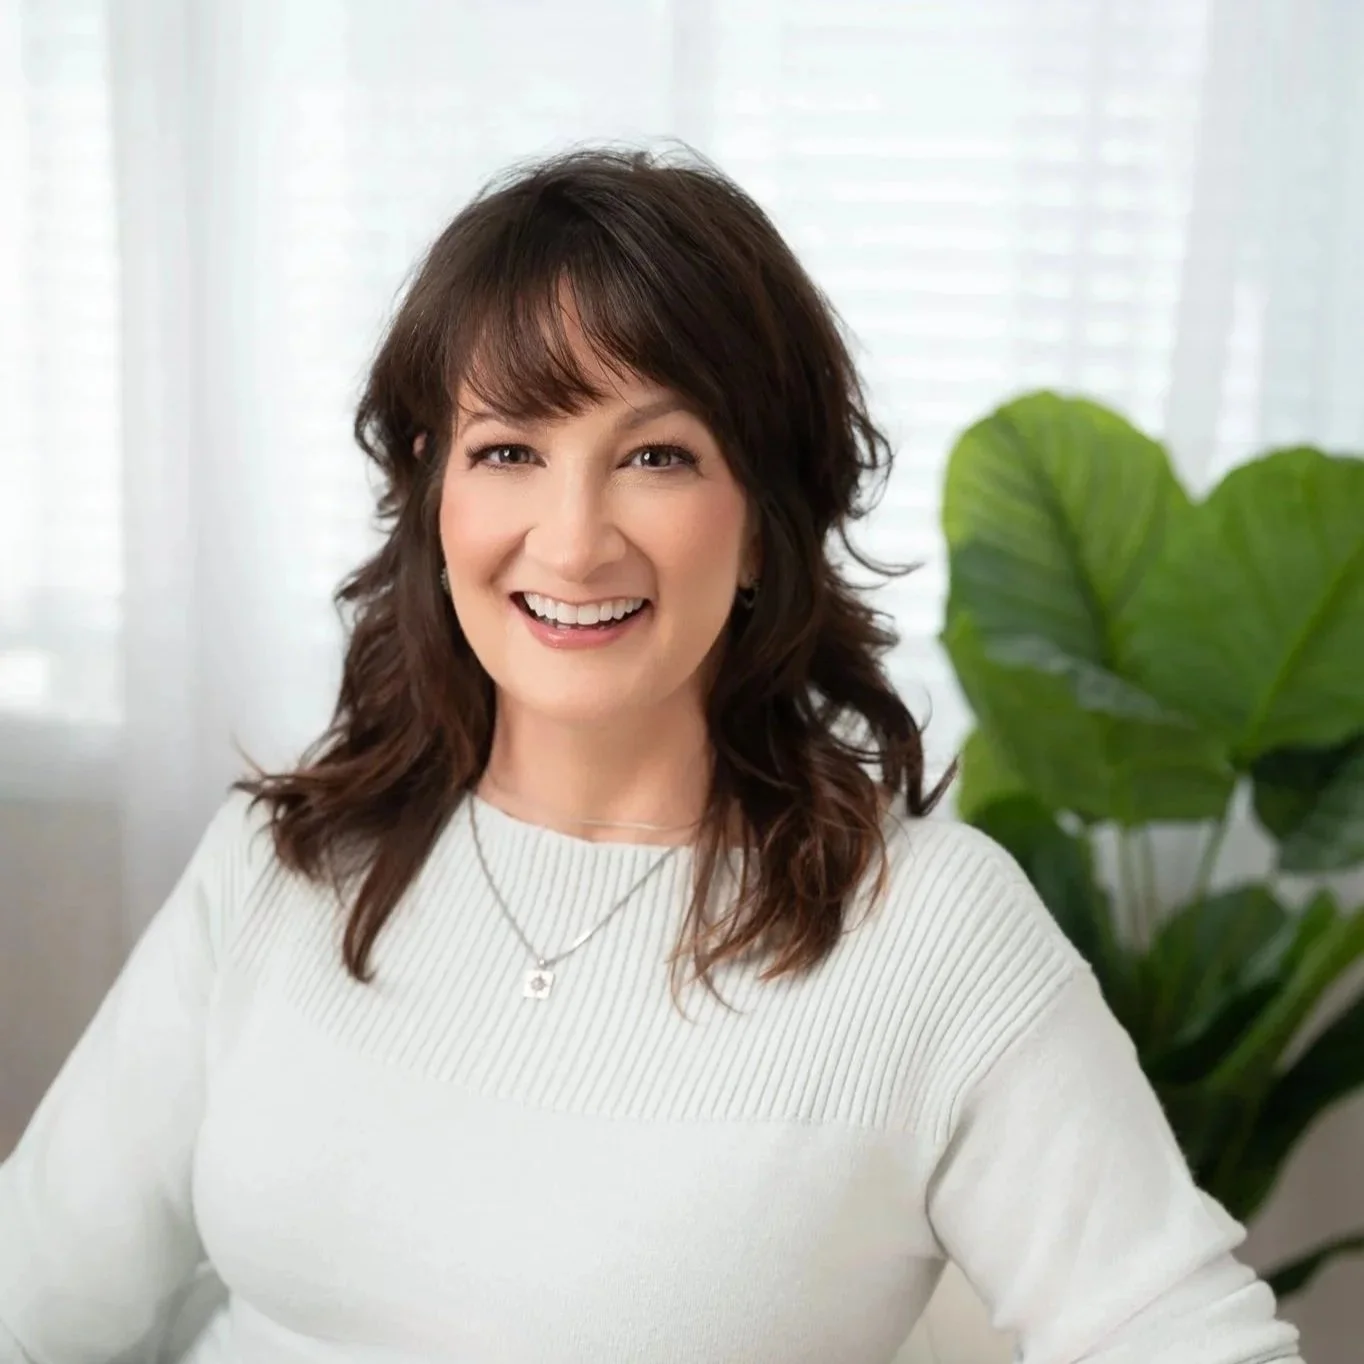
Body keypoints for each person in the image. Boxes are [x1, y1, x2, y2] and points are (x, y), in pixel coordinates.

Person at [0, 146, 1302, 1364]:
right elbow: (42, 1290)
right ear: (432, 495)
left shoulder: (931, 934)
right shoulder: (284, 861)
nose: (571, 544)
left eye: (657, 457)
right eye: (508, 450)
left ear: (763, 519)